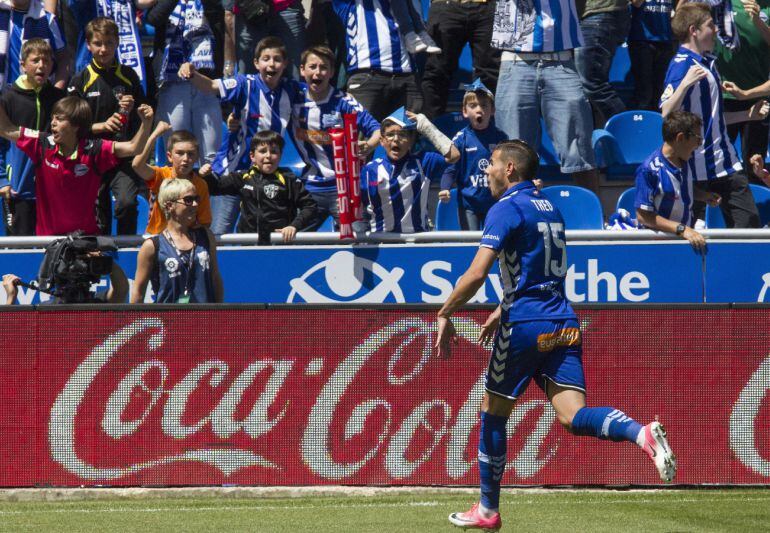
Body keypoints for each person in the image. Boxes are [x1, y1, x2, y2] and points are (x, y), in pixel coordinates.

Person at [435, 140, 677, 531]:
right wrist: (502, 307)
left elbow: (477, 273)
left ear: (510, 168)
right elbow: (541, 270)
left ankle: (487, 509)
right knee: (572, 416)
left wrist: (445, 312)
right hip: (562, 320)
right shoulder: (550, 207)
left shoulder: (505, 208)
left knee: (492, 414)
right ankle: (640, 432)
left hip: (525, 325)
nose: (488, 172)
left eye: (493, 165)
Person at [661, 2, 768, 228]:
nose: (717, 30)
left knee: (749, 225)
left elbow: (713, 120)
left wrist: (748, 115)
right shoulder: (682, 65)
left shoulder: (708, 63)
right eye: (711, 25)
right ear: (694, 30)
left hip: (725, 162)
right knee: (693, 232)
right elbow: (666, 112)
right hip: (696, 168)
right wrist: (684, 85)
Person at [178, 36, 301, 234]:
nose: (272, 64)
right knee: (218, 235)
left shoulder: (292, 89)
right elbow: (210, 87)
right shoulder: (245, 84)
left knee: (262, 236)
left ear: (285, 64)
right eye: (266, 58)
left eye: (277, 59)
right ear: (256, 63)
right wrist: (192, 74)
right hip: (232, 174)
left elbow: (317, 93)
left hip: (265, 178)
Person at [0, 95, 153, 236]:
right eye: (53, 118)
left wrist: (146, 123)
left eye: (59, 119)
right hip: (48, 242)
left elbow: (134, 148)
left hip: (85, 240)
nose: (53, 123)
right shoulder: (41, 144)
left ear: (75, 126)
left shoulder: (95, 150)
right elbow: (6, 129)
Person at [491, 0, 600, 193]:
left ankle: (595, 215)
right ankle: (510, 216)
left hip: (561, 59)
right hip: (515, 58)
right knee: (512, 154)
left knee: (580, 147)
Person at [68, 17, 147, 235]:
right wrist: (100, 126)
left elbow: (146, 116)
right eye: (98, 43)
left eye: (109, 43)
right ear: (88, 44)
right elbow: (70, 127)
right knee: (96, 215)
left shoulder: (129, 76)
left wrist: (135, 111)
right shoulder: (80, 80)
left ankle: (128, 254)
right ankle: (100, 260)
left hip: (123, 156)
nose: (104, 49)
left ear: (118, 43)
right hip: (92, 156)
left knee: (127, 204)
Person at [293, 45, 380, 229]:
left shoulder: (344, 102)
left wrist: (369, 145)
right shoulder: (293, 97)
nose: (318, 72)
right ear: (302, 70)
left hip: (343, 188)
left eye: (324, 67)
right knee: (292, 241)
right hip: (310, 188)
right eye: (313, 66)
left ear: (332, 72)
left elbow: (377, 129)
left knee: (360, 239)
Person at [145, 0, 225, 169]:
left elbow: (217, 15)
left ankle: (211, 192)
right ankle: (178, 194)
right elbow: (154, 18)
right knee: (177, 151)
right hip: (172, 82)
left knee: (211, 154)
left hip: (205, 82)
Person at [200, 130, 317, 244]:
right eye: (263, 151)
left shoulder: (289, 179)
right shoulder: (243, 177)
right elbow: (215, 188)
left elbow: (310, 206)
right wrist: (207, 176)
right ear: (252, 156)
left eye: (274, 151)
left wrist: (293, 226)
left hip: (279, 243)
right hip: (249, 243)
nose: (268, 156)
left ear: (280, 155)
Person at [0, 38, 65, 236]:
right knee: (21, 248)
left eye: (46, 61)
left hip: (52, 186)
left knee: (51, 247)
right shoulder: (8, 98)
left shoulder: (57, 98)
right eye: (35, 60)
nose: (41, 66)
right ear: (22, 65)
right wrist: (3, 179)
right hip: (18, 187)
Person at [360, 107, 459, 232]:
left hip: (416, 243)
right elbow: (359, 206)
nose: (396, 139)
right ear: (382, 141)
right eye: (390, 135)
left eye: (402, 134)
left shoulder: (424, 162)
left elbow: (454, 156)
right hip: (381, 242)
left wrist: (425, 126)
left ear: (411, 141)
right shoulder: (369, 170)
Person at [634, 111, 721, 251]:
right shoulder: (649, 170)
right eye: (697, 139)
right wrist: (682, 229)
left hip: (682, 240)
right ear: (680, 138)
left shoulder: (685, 161)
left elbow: (680, 190)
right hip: (658, 246)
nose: (699, 145)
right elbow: (644, 217)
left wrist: (703, 196)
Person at [131, 178, 224, 303]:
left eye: (196, 199)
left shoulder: (205, 236)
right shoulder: (152, 246)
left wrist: (220, 314)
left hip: (205, 319)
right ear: (170, 206)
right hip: (168, 320)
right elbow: (138, 292)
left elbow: (215, 278)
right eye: (188, 200)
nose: (195, 204)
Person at [333, 0, 423, 121]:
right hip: (367, 76)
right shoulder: (349, 4)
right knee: (364, 136)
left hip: (408, 74)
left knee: (406, 136)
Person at [438, 79, 506, 230]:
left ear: (493, 110)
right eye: (473, 106)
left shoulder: (501, 137)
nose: (479, 110)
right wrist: (445, 188)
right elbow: (451, 169)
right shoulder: (461, 138)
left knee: (494, 243)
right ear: (464, 111)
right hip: (469, 204)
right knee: (471, 245)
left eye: (484, 105)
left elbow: (511, 168)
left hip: (495, 203)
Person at [718, 0, 770, 185]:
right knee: (719, 162)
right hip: (725, 94)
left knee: (755, 162)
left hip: (758, 97)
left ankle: (754, 209)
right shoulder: (721, 3)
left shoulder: (767, 7)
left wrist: (758, 22)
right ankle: (712, 210)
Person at [420, 0, 500, 119]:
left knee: (489, 74)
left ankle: (487, 132)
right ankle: (429, 131)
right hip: (445, 5)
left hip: (488, 6)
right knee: (436, 72)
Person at [132, 123, 213, 234]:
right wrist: (154, 135)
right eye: (180, 153)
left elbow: (205, 222)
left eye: (191, 154)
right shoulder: (161, 176)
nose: (185, 158)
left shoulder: (200, 184)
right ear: (169, 156)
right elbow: (137, 165)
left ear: (197, 157)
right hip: (158, 238)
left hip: (186, 239)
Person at [575, 0, 631, 127]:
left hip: (597, 14)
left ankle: (629, 131)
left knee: (593, 84)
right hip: (603, 15)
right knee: (585, 86)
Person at [2, 254, 128, 304]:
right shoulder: (46, 309)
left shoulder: (97, 303)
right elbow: (11, 338)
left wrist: (103, 260)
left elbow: (121, 289)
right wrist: (11, 297)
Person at [627, 0, 675, 111]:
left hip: (665, 40)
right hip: (642, 40)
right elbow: (636, 3)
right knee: (644, 91)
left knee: (661, 90)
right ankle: (639, 124)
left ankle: (658, 123)